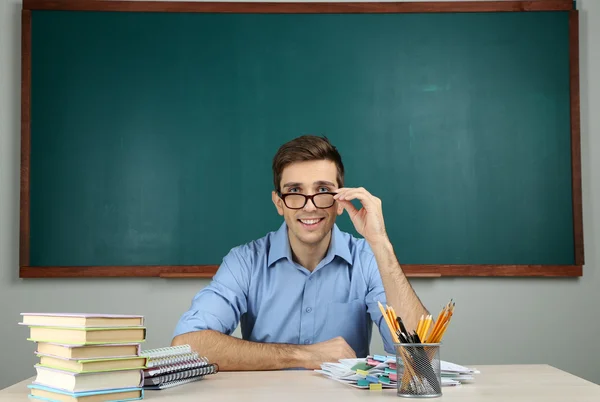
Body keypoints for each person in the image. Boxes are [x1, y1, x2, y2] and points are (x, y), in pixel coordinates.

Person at [171, 135, 428, 370]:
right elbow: (187, 348)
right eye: (295, 191)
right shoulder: (244, 262)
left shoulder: (367, 259)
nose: (309, 206)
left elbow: (421, 358)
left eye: (323, 190)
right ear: (279, 203)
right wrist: (302, 355)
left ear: (341, 202)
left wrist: (380, 242)